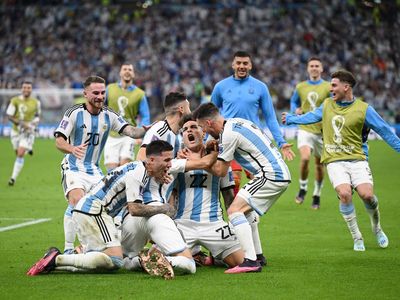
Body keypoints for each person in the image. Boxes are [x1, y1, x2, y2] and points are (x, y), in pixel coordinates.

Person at [282, 69, 400, 251]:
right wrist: (292, 119)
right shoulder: (328, 104)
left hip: (358, 159)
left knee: (367, 196)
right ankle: (357, 237)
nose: (331, 89)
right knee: (344, 194)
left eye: (334, 85)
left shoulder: (364, 109)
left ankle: (376, 228)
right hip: (335, 160)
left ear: (347, 87)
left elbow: (385, 130)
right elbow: (312, 116)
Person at [27, 140, 176, 278]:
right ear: (151, 160)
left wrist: (157, 178)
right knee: (115, 259)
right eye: (167, 160)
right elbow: (134, 209)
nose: (170, 164)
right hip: (94, 210)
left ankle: (53, 264)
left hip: (90, 210)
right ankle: (57, 259)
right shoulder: (138, 174)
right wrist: (163, 208)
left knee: (102, 263)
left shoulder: (138, 168)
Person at [193, 103, 294, 273]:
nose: (205, 134)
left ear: (209, 123)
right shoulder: (237, 123)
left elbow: (220, 171)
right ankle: (259, 256)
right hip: (277, 172)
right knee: (247, 212)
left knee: (234, 211)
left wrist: (198, 162)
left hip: (270, 175)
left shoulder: (228, 134)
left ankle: (250, 261)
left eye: (203, 128)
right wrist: (216, 144)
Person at [211, 51, 290, 263]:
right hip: (231, 146)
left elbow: (270, 118)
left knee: (243, 202)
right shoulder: (221, 87)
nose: (242, 66)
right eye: (238, 63)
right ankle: (242, 245)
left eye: (245, 63)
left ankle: (248, 250)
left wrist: (281, 142)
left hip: (252, 148)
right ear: (232, 64)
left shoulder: (260, 87)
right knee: (235, 190)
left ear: (251, 65)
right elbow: (210, 115)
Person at [54, 75, 146, 255]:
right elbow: (59, 140)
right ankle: (69, 249)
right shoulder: (74, 112)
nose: (100, 96)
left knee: (102, 206)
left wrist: (149, 128)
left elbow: (132, 132)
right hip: (73, 166)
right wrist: (72, 148)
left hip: (94, 170)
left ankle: (90, 246)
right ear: (85, 94)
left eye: (103, 92)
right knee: (77, 201)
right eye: (95, 93)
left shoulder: (109, 114)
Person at [172, 115, 245, 268]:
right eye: (185, 130)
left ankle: (213, 255)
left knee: (242, 262)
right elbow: (170, 196)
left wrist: (233, 226)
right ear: (183, 137)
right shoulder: (176, 162)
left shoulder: (221, 162)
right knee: (165, 261)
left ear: (203, 132)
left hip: (214, 224)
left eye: (193, 127)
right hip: (183, 225)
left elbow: (228, 196)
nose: (189, 131)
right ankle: (193, 255)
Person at [289, 57, 331, 209]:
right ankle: (303, 188)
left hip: (322, 131)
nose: (314, 68)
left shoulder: (328, 86)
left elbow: (333, 103)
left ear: (321, 69)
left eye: (317, 66)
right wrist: (296, 110)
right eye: (311, 66)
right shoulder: (301, 86)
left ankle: (317, 194)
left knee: (319, 166)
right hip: (305, 128)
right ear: (308, 69)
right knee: (305, 158)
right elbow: (294, 101)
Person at [104, 63, 151, 172]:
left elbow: (145, 116)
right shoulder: (110, 89)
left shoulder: (140, 94)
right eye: (124, 69)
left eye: (130, 69)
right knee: (111, 171)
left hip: (129, 135)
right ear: (120, 73)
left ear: (133, 74)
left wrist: (140, 134)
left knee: (124, 169)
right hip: (111, 134)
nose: (127, 71)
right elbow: (101, 108)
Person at [6, 81, 41, 186]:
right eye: (25, 87)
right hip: (16, 132)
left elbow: (37, 116)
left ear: (31, 89)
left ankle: (13, 178)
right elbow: (9, 116)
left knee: (20, 153)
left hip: (28, 132)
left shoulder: (36, 102)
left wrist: (33, 123)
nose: (26, 89)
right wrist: (22, 123)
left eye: (29, 88)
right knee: (17, 153)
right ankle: (30, 146)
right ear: (22, 89)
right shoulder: (14, 101)